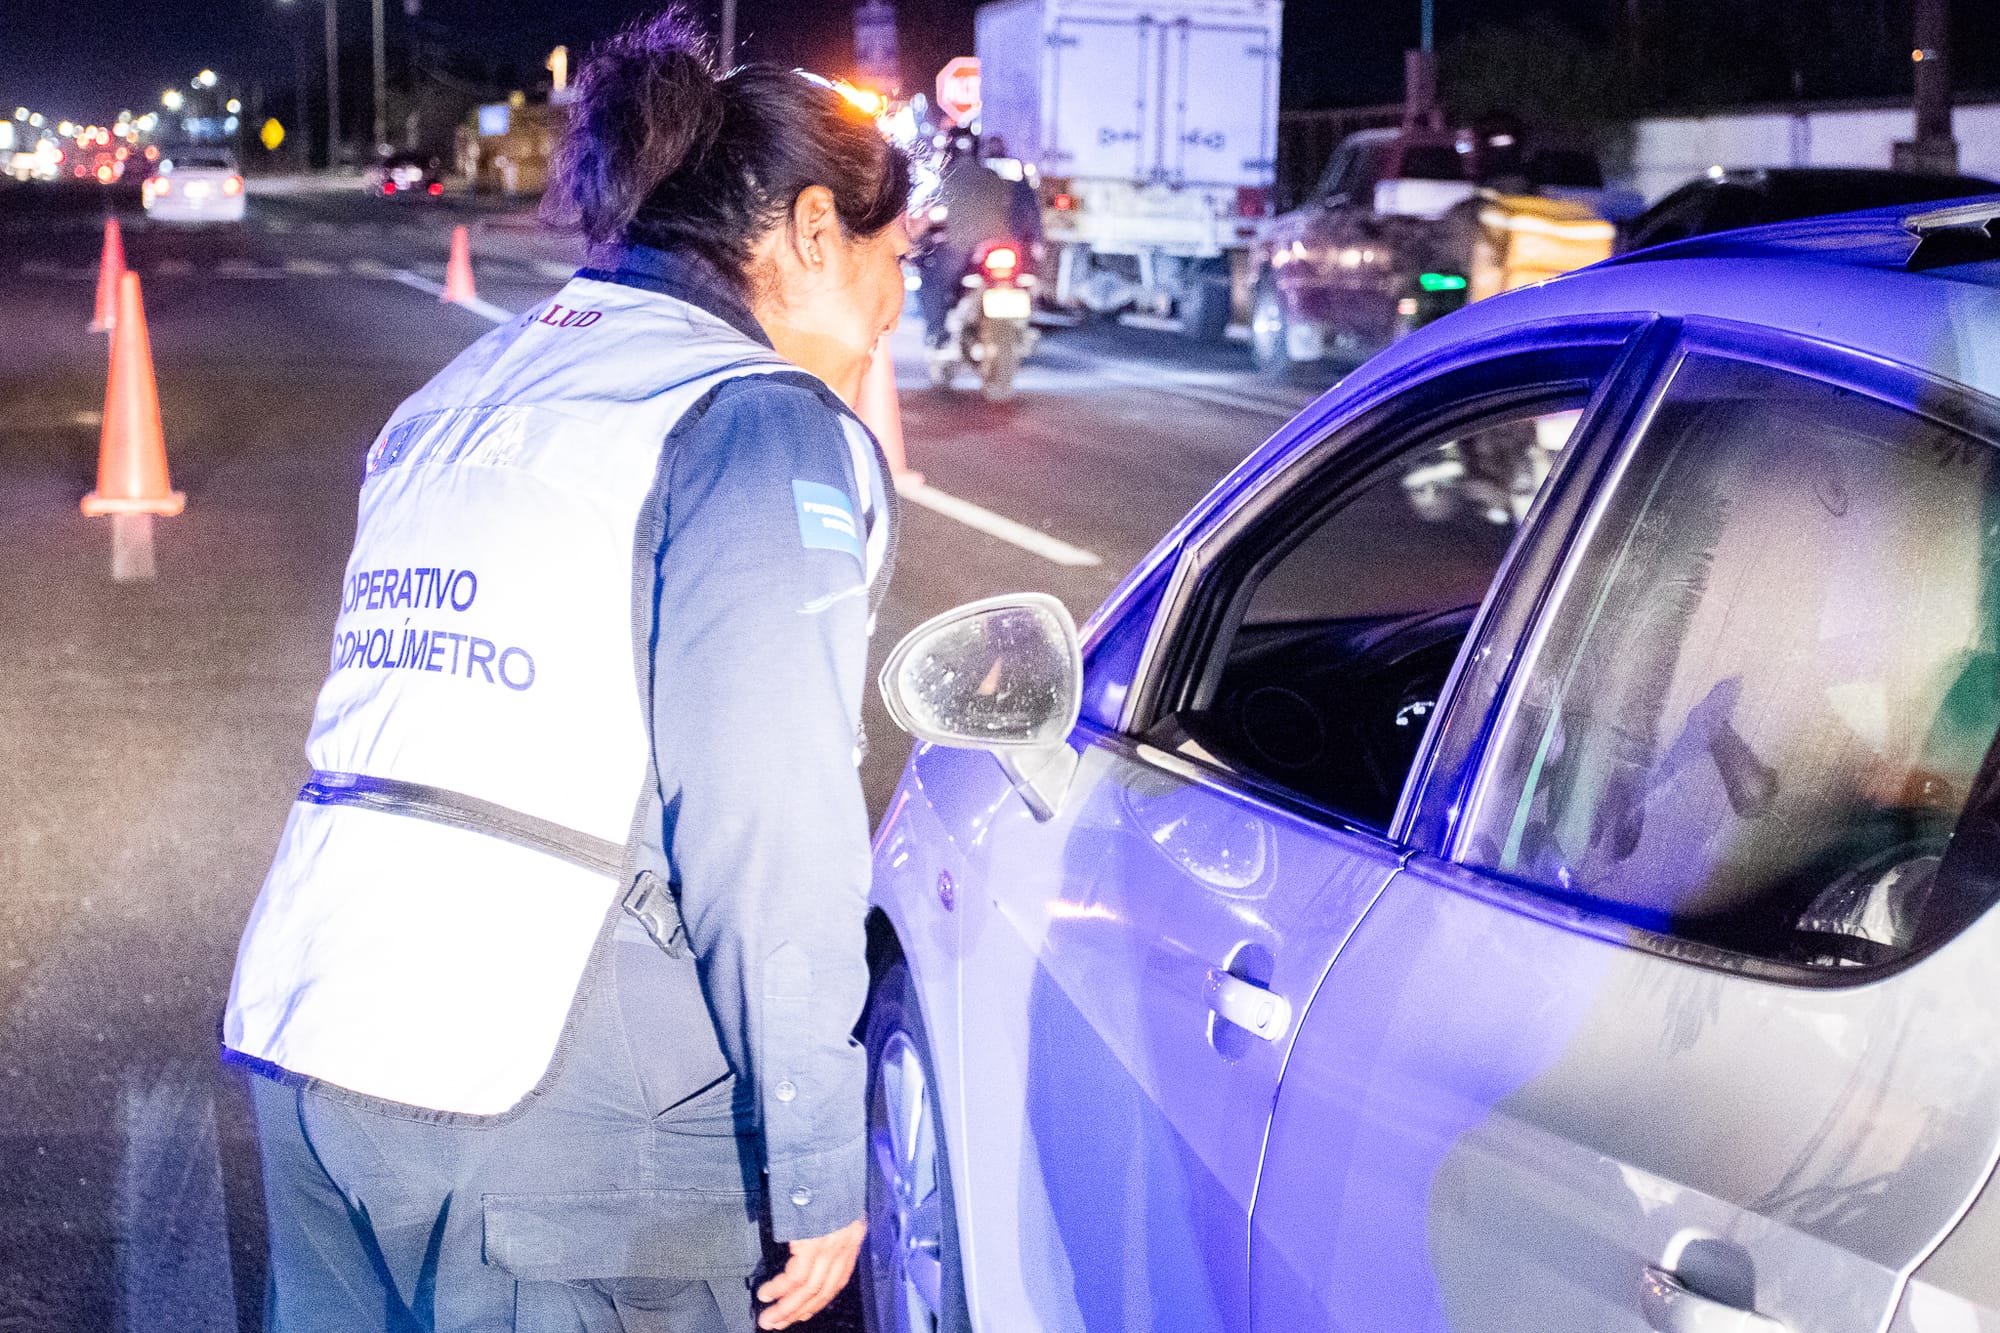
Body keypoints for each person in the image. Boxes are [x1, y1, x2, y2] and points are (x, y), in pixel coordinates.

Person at [221, 11, 910, 1331]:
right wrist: (821, 1155)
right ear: (815, 232)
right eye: (896, 262)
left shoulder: (474, 386)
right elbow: (769, 823)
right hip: (547, 1111)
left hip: (316, 1038)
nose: (892, 313)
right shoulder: (752, 422)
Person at [914, 126, 1041, 346]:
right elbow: (1018, 209)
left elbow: (927, 215)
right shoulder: (994, 177)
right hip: (1001, 245)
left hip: (961, 249)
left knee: (931, 283)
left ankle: (938, 335)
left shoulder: (944, 180)